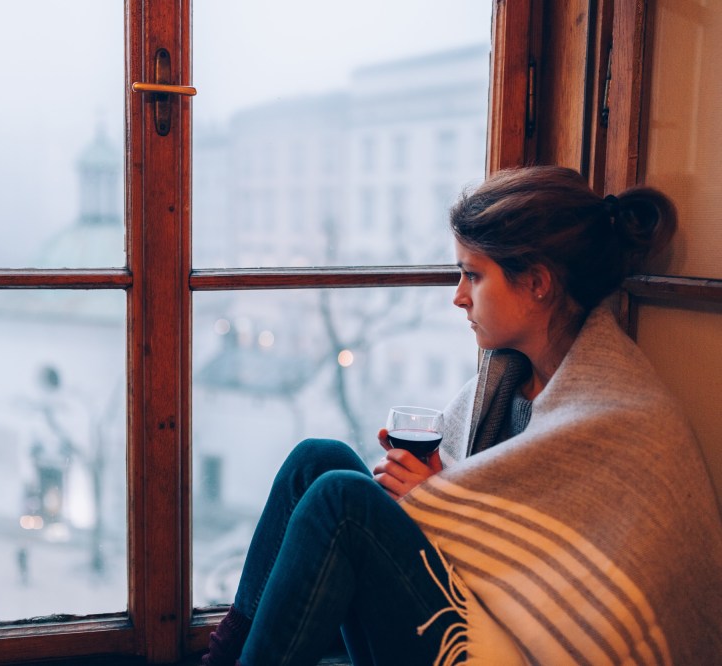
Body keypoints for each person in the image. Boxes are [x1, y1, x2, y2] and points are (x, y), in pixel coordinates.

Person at [200, 165, 722, 666]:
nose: (458, 297)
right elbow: (491, 518)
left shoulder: (623, 417)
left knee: (343, 500)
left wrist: (435, 500)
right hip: (473, 610)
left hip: (522, 644)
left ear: (537, 282)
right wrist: (437, 492)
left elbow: (572, 588)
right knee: (316, 461)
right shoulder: (507, 382)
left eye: (473, 274)